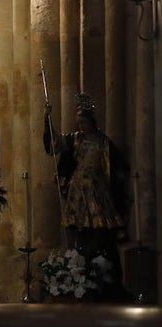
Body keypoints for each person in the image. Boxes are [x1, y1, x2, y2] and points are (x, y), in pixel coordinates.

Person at [43, 93, 131, 300]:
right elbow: (54, 145)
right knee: (78, 232)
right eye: (78, 122)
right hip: (77, 193)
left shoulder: (103, 143)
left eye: (83, 121)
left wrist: (119, 185)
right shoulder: (75, 140)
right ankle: (78, 266)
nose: (80, 125)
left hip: (97, 192)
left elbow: (117, 168)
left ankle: (103, 273)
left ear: (92, 121)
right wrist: (47, 120)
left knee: (99, 232)